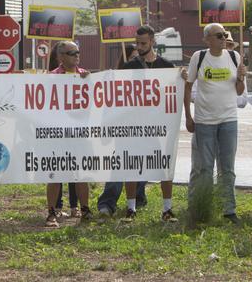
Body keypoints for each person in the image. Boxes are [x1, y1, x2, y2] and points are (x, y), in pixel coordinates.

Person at [98, 26, 178, 222]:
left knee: (164, 165)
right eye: (137, 43)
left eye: (143, 43)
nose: (139, 46)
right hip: (133, 125)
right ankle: (131, 208)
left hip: (158, 127)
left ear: (152, 42)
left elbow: (174, 91)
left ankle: (167, 209)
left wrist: (181, 79)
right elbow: (117, 94)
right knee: (130, 165)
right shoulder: (129, 66)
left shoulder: (166, 66)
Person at [184, 23, 246, 225]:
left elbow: (238, 91)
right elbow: (188, 86)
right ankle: (201, 208)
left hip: (228, 119)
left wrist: (242, 78)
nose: (223, 38)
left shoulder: (234, 57)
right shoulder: (199, 57)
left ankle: (229, 210)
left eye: (224, 35)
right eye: (218, 35)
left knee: (227, 167)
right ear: (207, 39)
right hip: (205, 121)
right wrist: (188, 116)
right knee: (204, 167)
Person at [45, 40, 92, 227]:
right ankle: (51, 212)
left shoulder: (85, 75)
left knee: (80, 174)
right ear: (61, 57)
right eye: (72, 53)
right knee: (56, 173)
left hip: (79, 133)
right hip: (58, 134)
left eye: (78, 52)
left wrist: (89, 82)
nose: (77, 56)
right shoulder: (52, 77)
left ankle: (86, 209)